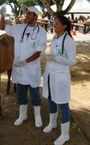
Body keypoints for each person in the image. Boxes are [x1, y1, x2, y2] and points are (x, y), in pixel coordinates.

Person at [0, 6, 47, 127]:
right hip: (19, 69)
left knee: (35, 95)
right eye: (26, 13)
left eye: (29, 14)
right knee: (21, 95)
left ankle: (37, 116)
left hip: (31, 69)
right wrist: (2, 16)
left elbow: (38, 52)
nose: (26, 15)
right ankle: (22, 115)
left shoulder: (41, 32)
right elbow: (2, 27)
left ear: (35, 17)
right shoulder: (19, 28)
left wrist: (25, 62)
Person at [42, 15, 76, 145]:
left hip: (61, 78)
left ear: (64, 26)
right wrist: (47, 57)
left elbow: (72, 61)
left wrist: (56, 58)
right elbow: (54, 56)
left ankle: (65, 134)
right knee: (51, 100)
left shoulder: (69, 41)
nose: (54, 25)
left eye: (57, 24)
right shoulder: (55, 38)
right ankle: (52, 123)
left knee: (63, 105)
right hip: (51, 75)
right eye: (54, 23)